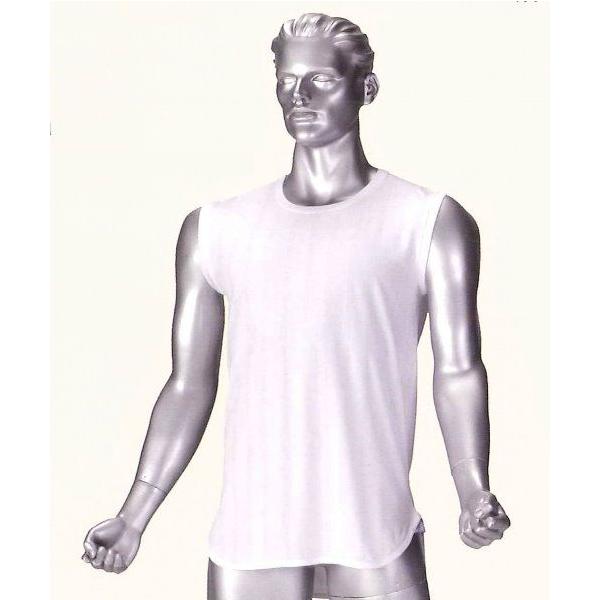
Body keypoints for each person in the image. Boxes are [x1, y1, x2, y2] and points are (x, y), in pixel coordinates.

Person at [82, 13, 510, 600]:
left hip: (373, 532)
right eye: (287, 81)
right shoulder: (216, 229)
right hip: (252, 538)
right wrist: (133, 516)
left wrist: (473, 489)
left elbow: (458, 369)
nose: (299, 96)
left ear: (366, 88)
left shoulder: (427, 221)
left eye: (320, 80)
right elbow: (188, 384)